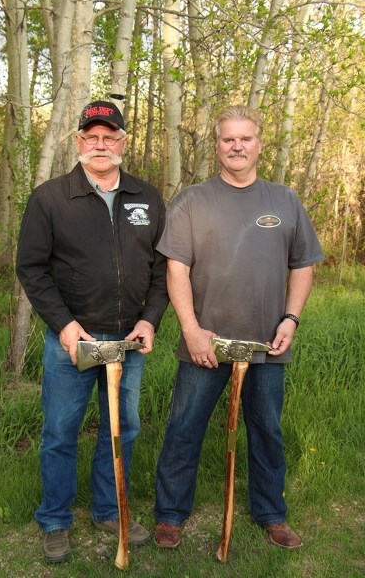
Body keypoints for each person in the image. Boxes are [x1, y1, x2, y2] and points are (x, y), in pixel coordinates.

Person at [153, 104, 325, 551]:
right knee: (184, 427)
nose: (236, 146)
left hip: (267, 343)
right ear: (217, 145)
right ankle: (171, 515)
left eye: (245, 138)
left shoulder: (285, 200)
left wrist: (291, 318)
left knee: (266, 428)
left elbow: (303, 264)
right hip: (205, 342)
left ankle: (271, 513)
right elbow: (176, 268)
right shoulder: (192, 200)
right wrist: (190, 330)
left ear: (259, 144)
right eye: (228, 138)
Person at [16, 100, 168, 563]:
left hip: (128, 341)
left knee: (123, 429)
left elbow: (164, 270)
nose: (101, 144)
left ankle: (108, 510)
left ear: (123, 143)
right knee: (61, 431)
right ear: (80, 142)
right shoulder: (51, 198)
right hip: (72, 343)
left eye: (110, 137)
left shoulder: (147, 198)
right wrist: (64, 325)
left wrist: (149, 319)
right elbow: (32, 269)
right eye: (92, 136)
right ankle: (55, 520)